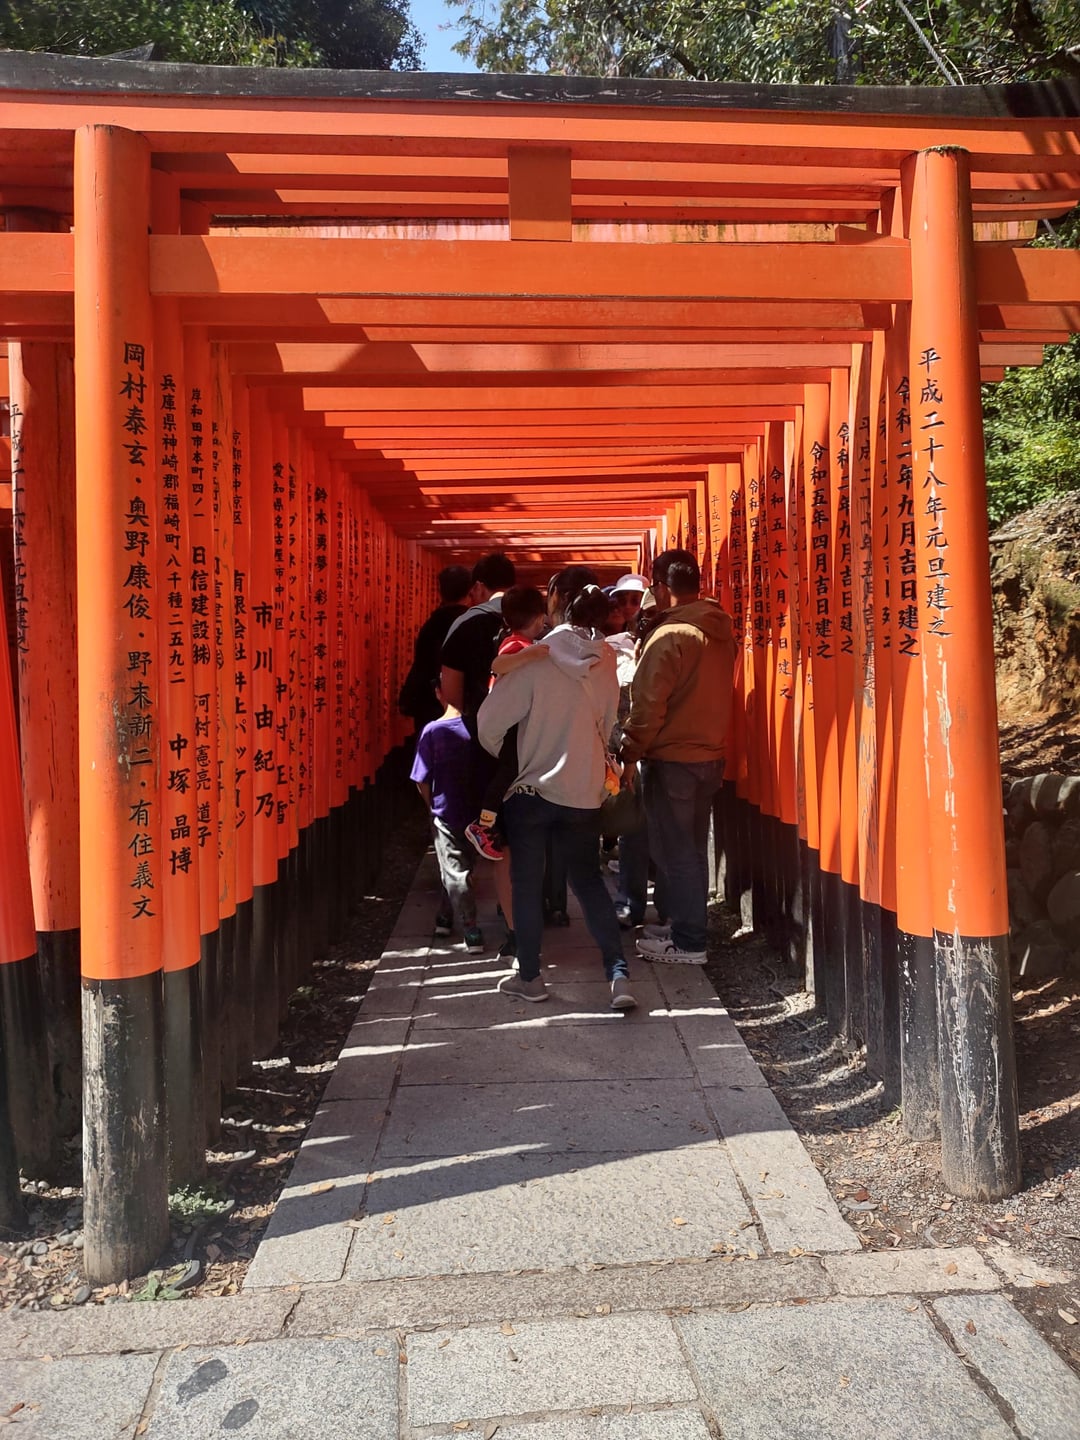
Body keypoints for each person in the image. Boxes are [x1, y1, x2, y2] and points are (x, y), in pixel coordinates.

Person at [478, 570, 635, 1010]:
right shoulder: (606, 657)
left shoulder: (536, 657)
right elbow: (608, 721)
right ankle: (618, 975)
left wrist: (511, 755)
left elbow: (489, 723)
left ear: (556, 602)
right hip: (582, 789)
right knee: (588, 881)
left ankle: (530, 977)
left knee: (527, 885)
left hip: (531, 791)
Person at [620, 548, 736, 965]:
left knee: (677, 851)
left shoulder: (669, 636)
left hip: (673, 757)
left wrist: (629, 749)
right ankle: (685, 926)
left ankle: (688, 940)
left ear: (660, 587)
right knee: (691, 848)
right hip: (709, 753)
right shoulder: (718, 628)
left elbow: (648, 705)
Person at [465, 585, 547, 862]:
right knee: (508, 771)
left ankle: (487, 825)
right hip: (510, 722)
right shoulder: (516, 644)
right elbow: (498, 664)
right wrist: (530, 655)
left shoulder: (518, 641)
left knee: (510, 772)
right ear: (539, 618)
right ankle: (483, 825)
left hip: (512, 720)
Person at [409, 685, 491, 954]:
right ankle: (461, 922)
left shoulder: (432, 731)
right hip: (475, 813)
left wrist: (431, 805)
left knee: (456, 869)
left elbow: (421, 778)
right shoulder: (480, 730)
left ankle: (457, 921)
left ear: (438, 693)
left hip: (446, 811)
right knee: (459, 869)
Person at [439, 552, 516, 716]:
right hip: (524, 726)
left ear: (479, 587)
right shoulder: (534, 620)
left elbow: (451, 693)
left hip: (477, 722)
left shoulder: (465, 623)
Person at [397, 564, 473, 731]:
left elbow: (422, 666)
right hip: (464, 706)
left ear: (440, 591)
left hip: (429, 704)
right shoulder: (472, 625)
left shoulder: (431, 625)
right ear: (470, 591)